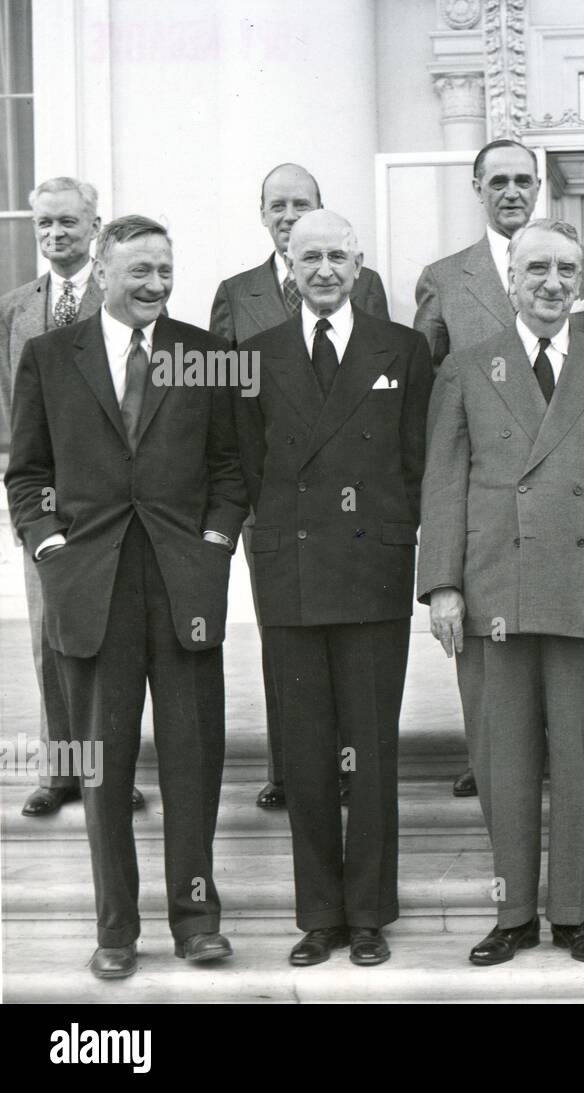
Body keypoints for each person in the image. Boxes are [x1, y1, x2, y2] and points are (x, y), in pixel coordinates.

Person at [420, 218, 584, 965]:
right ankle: (513, 913)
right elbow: (444, 480)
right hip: (495, 585)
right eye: (537, 270)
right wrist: (442, 584)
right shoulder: (467, 367)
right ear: (511, 282)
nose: (553, 283)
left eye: (566, 270)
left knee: (583, 759)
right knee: (502, 758)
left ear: (583, 285)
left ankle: (571, 913)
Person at [6, 215, 247, 979]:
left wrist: (215, 542)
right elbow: (26, 472)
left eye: (165, 270)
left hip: (184, 585)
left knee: (193, 761)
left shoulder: (204, 355)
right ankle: (116, 929)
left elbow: (230, 466)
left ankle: (197, 921)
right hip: (90, 585)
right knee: (101, 766)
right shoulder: (51, 356)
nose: (155, 284)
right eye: (140, 269)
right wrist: (50, 548)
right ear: (103, 270)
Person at [233, 210, 433, 968]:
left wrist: (389, 529)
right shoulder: (255, 355)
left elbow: (416, 460)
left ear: (358, 266)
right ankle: (319, 913)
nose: (323, 269)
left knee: (370, 749)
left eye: (337, 257)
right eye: (309, 256)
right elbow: (248, 464)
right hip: (291, 569)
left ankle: (370, 912)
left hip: (372, 568)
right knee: (306, 749)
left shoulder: (403, 348)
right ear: (288, 265)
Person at [413, 139, 584, 800]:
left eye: (523, 180)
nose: (511, 191)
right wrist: (441, 570)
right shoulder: (445, 277)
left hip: (574, 522)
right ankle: (500, 764)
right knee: (500, 710)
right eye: (497, 180)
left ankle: (577, 762)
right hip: (496, 524)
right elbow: (432, 404)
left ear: (538, 186)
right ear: (477, 187)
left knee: (578, 695)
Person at [210, 162, 390, 810]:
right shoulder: (236, 293)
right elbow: (224, 403)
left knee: (350, 640)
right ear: (262, 215)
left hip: (351, 503)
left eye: (301, 203)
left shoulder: (364, 284)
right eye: (278, 205)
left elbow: (376, 381)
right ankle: (288, 768)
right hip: (275, 502)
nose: (289, 215)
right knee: (283, 637)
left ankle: (346, 764)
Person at [0, 177, 145, 818]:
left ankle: (112, 773)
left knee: (113, 637)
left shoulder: (120, 296)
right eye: (45, 223)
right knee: (48, 634)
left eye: (68, 221)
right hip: (44, 499)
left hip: (112, 496)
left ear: (95, 226)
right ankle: (61, 771)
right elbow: (13, 409)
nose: (56, 234)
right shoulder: (14, 309)